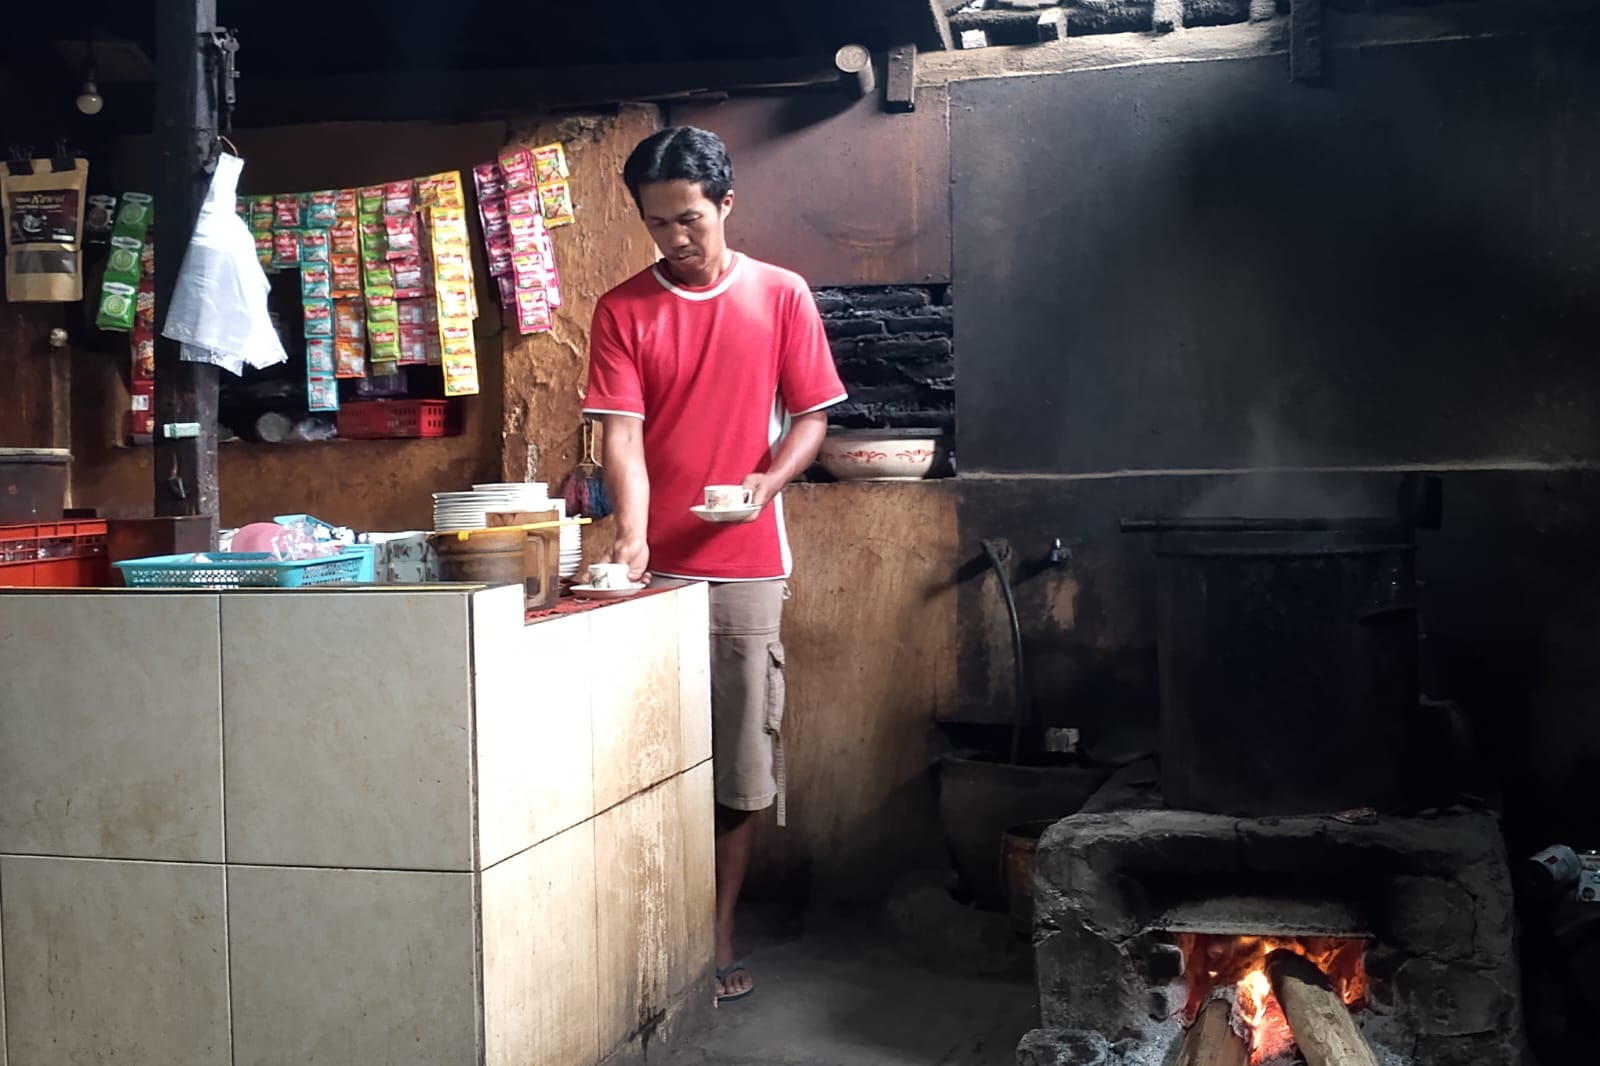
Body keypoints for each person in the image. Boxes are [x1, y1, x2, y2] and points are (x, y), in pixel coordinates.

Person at [582, 126, 846, 1004]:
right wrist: (632, 533)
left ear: (726, 204)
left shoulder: (781, 295)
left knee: (737, 761)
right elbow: (622, 433)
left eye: (690, 220)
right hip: (652, 569)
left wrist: (768, 481)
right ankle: (646, 923)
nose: (676, 240)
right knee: (640, 753)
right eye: (659, 226)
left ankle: (719, 927)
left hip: (744, 563)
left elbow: (811, 415)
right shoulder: (622, 309)